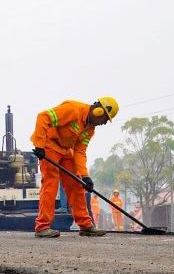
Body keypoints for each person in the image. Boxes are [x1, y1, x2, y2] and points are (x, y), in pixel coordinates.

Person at [31, 97, 119, 238]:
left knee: (77, 185)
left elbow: (79, 152)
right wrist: (39, 145)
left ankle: (85, 226)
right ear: (98, 111)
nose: (104, 123)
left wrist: (85, 176)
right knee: (51, 184)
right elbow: (43, 117)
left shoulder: (90, 129)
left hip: (66, 151)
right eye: (105, 119)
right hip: (49, 146)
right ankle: (42, 227)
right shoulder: (73, 109)